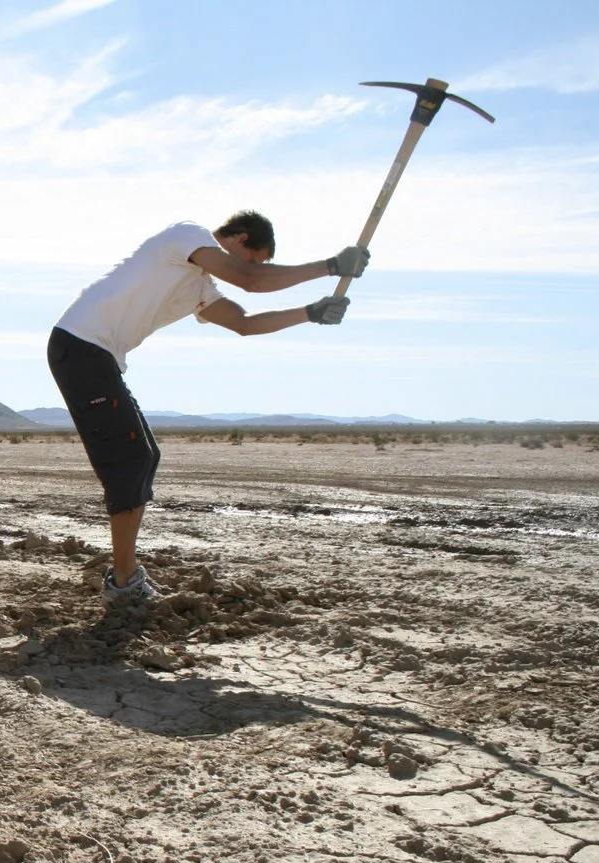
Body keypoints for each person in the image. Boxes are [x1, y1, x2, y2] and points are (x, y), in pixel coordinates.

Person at [48, 211, 367, 604]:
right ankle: (123, 581)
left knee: (144, 458)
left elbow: (245, 323)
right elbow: (251, 281)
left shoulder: (199, 286)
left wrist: (309, 314)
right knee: (129, 461)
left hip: (97, 357)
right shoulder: (186, 235)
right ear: (239, 238)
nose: (245, 268)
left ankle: (125, 575)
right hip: (81, 347)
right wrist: (331, 266)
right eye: (251, 258)